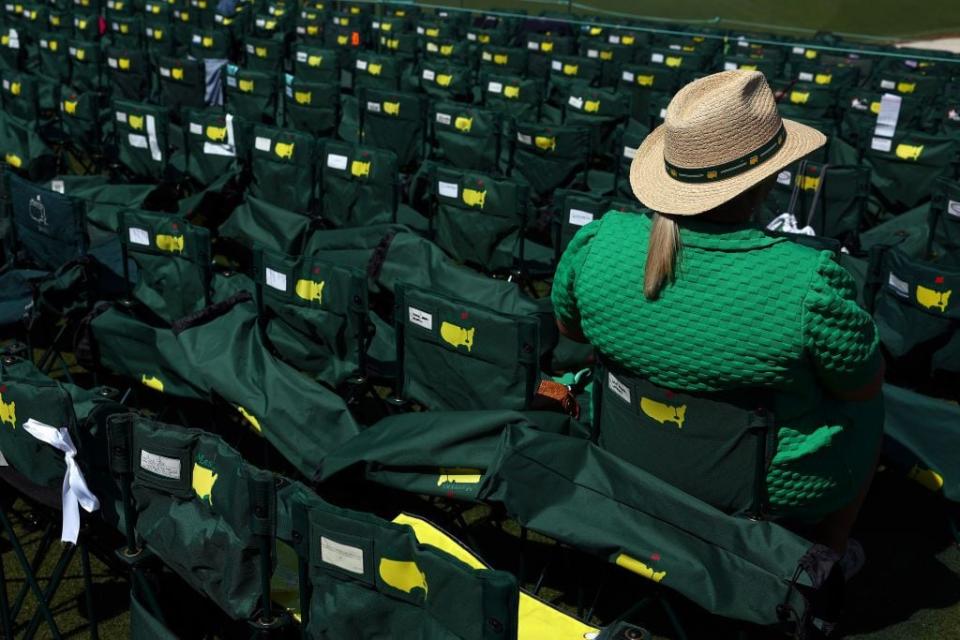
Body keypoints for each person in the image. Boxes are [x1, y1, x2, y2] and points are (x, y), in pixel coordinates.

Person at [552, 70, 883, 576]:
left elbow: (572, 333)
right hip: (767, 486)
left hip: (627, 447)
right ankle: (833, 552)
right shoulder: (809, 283)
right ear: (769, 175)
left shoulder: (598, 243)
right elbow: (861, 387)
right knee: (870, 409)